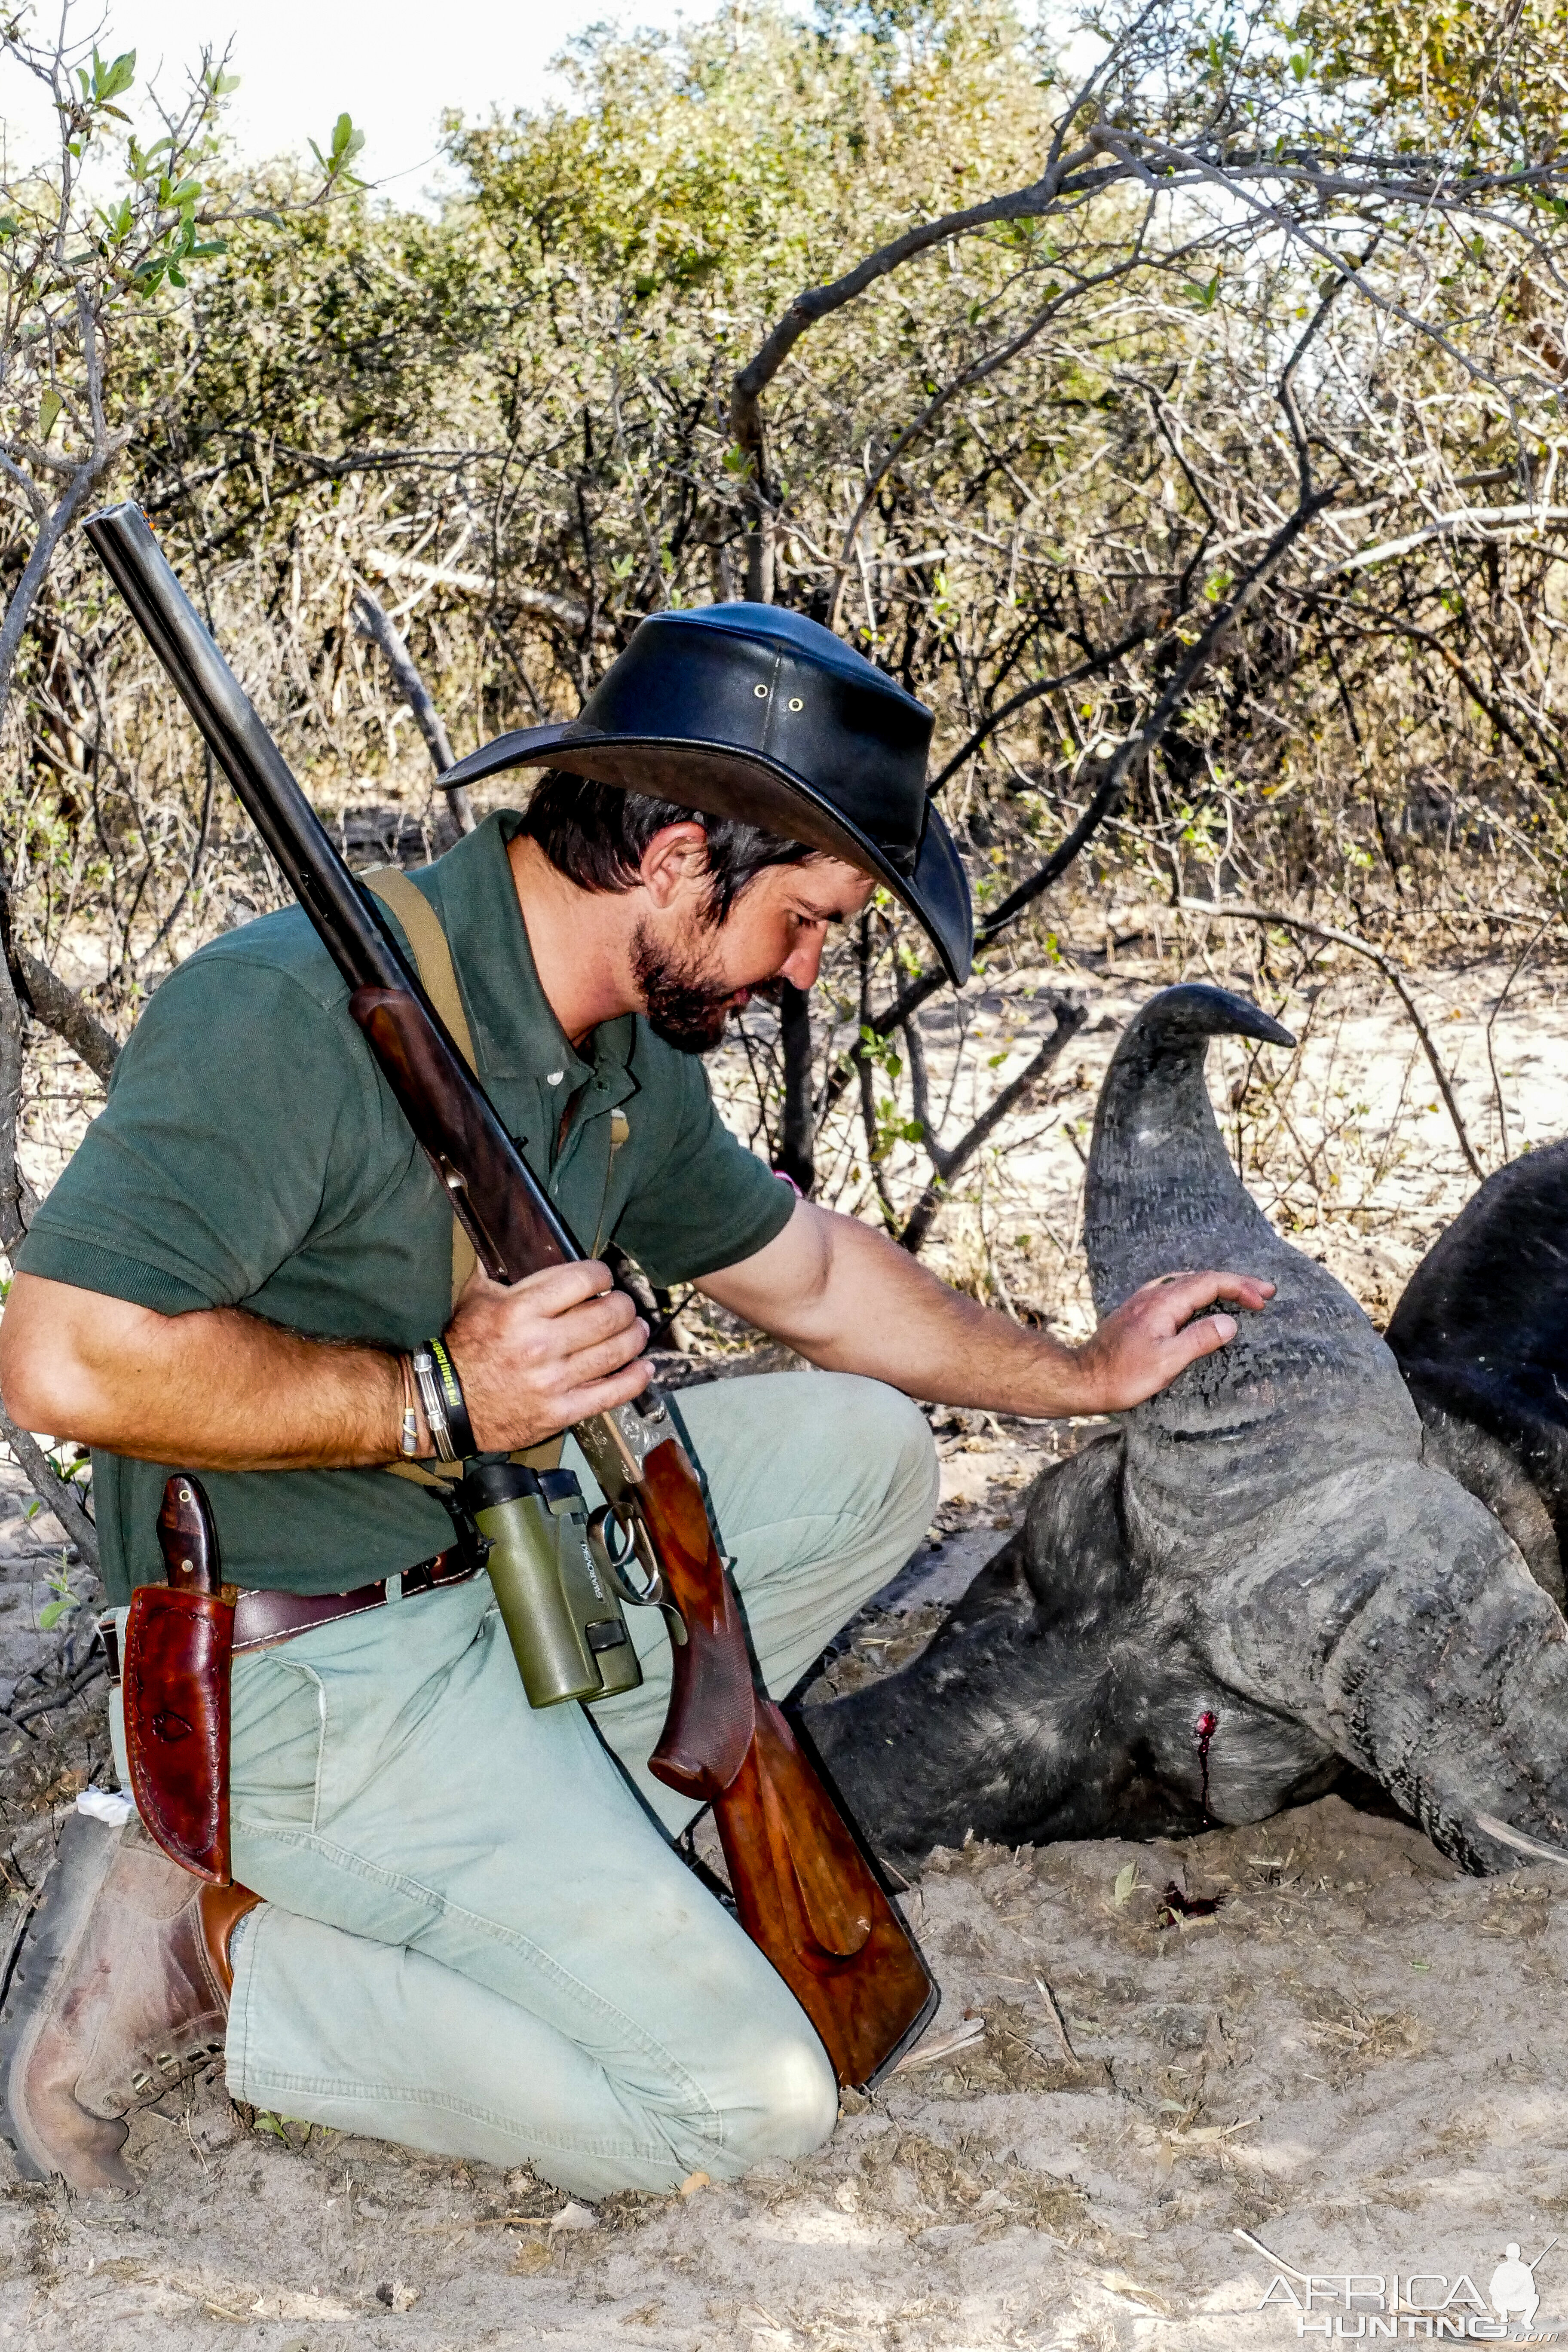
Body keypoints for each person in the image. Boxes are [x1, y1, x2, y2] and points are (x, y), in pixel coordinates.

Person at [0, 602, 1271, 2195]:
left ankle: (545, 1851)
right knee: (744, 2112)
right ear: (677, 863)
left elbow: (804, 1274)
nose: (808, 970)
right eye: (804, 919)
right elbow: (57, 1358)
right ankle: (221, 1950)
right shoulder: (281, 1017)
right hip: (310, 1688)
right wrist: (433, 1399)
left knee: (869, 1453)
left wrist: (1082, 1376)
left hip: (497, 1587)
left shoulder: (614, 1039)